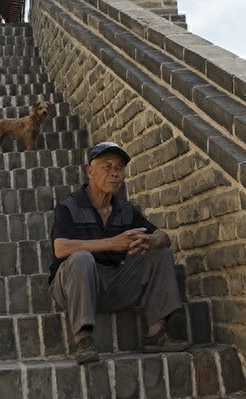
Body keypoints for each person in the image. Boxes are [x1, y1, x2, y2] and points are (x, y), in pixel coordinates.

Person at [49, 141, 190, 363]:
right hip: (74, 285)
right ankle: (83, 339)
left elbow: (165, 237)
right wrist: (112, 243)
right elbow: (60, 248)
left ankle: (156, 333)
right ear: (90, 172)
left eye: (119, 168)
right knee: (81, 259)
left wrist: (152, 241)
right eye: (107, 167)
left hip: (115, 283)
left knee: (162, 253)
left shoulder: (126, 210)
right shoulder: (69, 207)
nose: (115, 174)